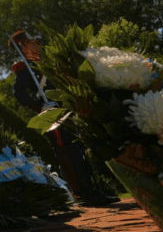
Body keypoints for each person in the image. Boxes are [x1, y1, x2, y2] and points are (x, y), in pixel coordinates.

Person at [9, 29, 119, 207]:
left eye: (33, 43)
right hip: (52, 114)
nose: (34, 46)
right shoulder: (24, 68)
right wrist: (39, 108)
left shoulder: (50, 62)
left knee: (81, 150)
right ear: (21, 49)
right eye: (28, 45)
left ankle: (92, 189)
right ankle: (79, 193)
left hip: (69, 109)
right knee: (67, 152)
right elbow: (19, 94)